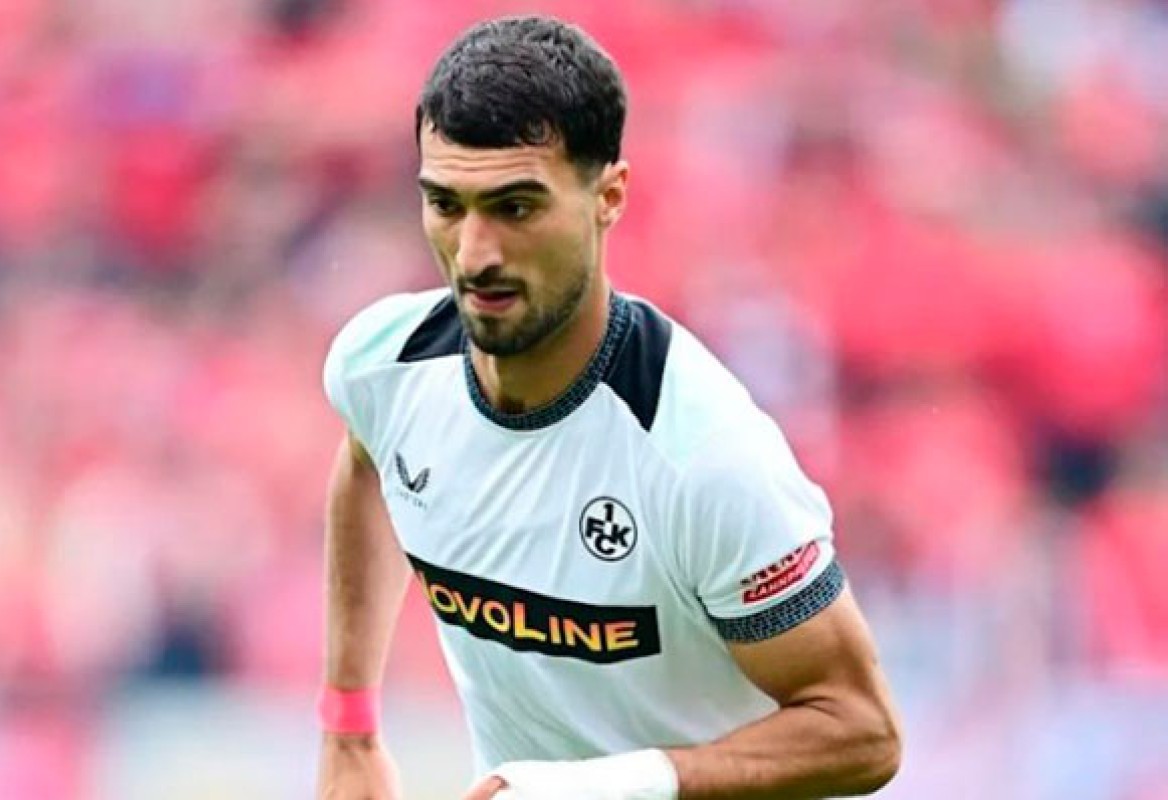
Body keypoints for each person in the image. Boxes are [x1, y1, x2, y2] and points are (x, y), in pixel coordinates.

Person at [316, 15, 902, 800]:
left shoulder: (701, 457)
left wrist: (609, 787)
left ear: (609, 196)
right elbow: (366, 464)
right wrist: (350, 729)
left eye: (516, 207)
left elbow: (863, 730)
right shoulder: (383, 367)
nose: (475, 253)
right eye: (447, 205)